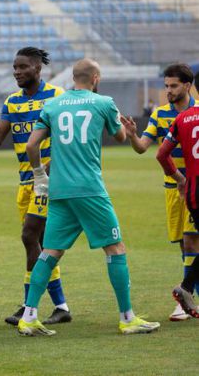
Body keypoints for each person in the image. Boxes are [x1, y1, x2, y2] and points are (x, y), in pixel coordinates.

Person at [19, 59, 159, 336]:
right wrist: (129, 131)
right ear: (96, 77)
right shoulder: (104, 102)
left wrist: (39, 176)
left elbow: (32, 144)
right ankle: (127, 317)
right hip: (90, 189)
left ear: (73, 78)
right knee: (115, 248)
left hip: (59, 191)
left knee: (50, 252)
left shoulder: (53, 105)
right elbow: (120, 137)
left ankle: (28, 316)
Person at [0, 47, 71, 326]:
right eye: (14, 67)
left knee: (29, 237)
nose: (17, 72)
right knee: (39, 244)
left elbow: (67, 137)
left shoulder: (56, 96)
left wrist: (51, 168)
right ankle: (60, 306)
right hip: (25, 182)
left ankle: (30, 307)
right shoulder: (12, 102)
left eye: (22, 67)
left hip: (48, 183)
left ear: (38, 69)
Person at [121, 63, 197, 321]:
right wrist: (132, 135)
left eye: (173, 85)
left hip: (192, 186)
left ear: (187, 85)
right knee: (182, 244)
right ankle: (189, 293)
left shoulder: (195, 113)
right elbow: (143, 147)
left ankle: (186, 299)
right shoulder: (160, 114)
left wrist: (183, 179)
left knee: (191, 240)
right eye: (166, 86)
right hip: (171, 188)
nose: (168, 90)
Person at [156, 70, 199, 319]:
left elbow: (161, 154)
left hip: (192, 191)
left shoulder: (182, 118)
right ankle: (185, 288)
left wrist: (180, 179)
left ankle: (186, 288)